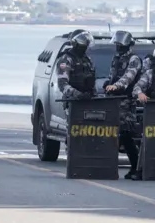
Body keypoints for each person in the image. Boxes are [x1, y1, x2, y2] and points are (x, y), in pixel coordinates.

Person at [103, 30, 145, 180]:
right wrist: (108, 84)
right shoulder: (117, 58)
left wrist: (116, 86)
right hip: (115, 101)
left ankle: (137, 167)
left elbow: (128, 77)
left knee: (127, 135)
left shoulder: (134, 59)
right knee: (115, 134)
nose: (117, 47)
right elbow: (112, 74)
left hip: (127, 101)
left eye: (120, 45)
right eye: (116, 44)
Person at [56, 30, 96, 102]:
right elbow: (62, 84)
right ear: (76, 43)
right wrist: (77, 94)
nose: (86, 46)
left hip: (88, 99)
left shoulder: (86, 59)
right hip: (73, 101)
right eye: (83, 42)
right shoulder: (66, 59)